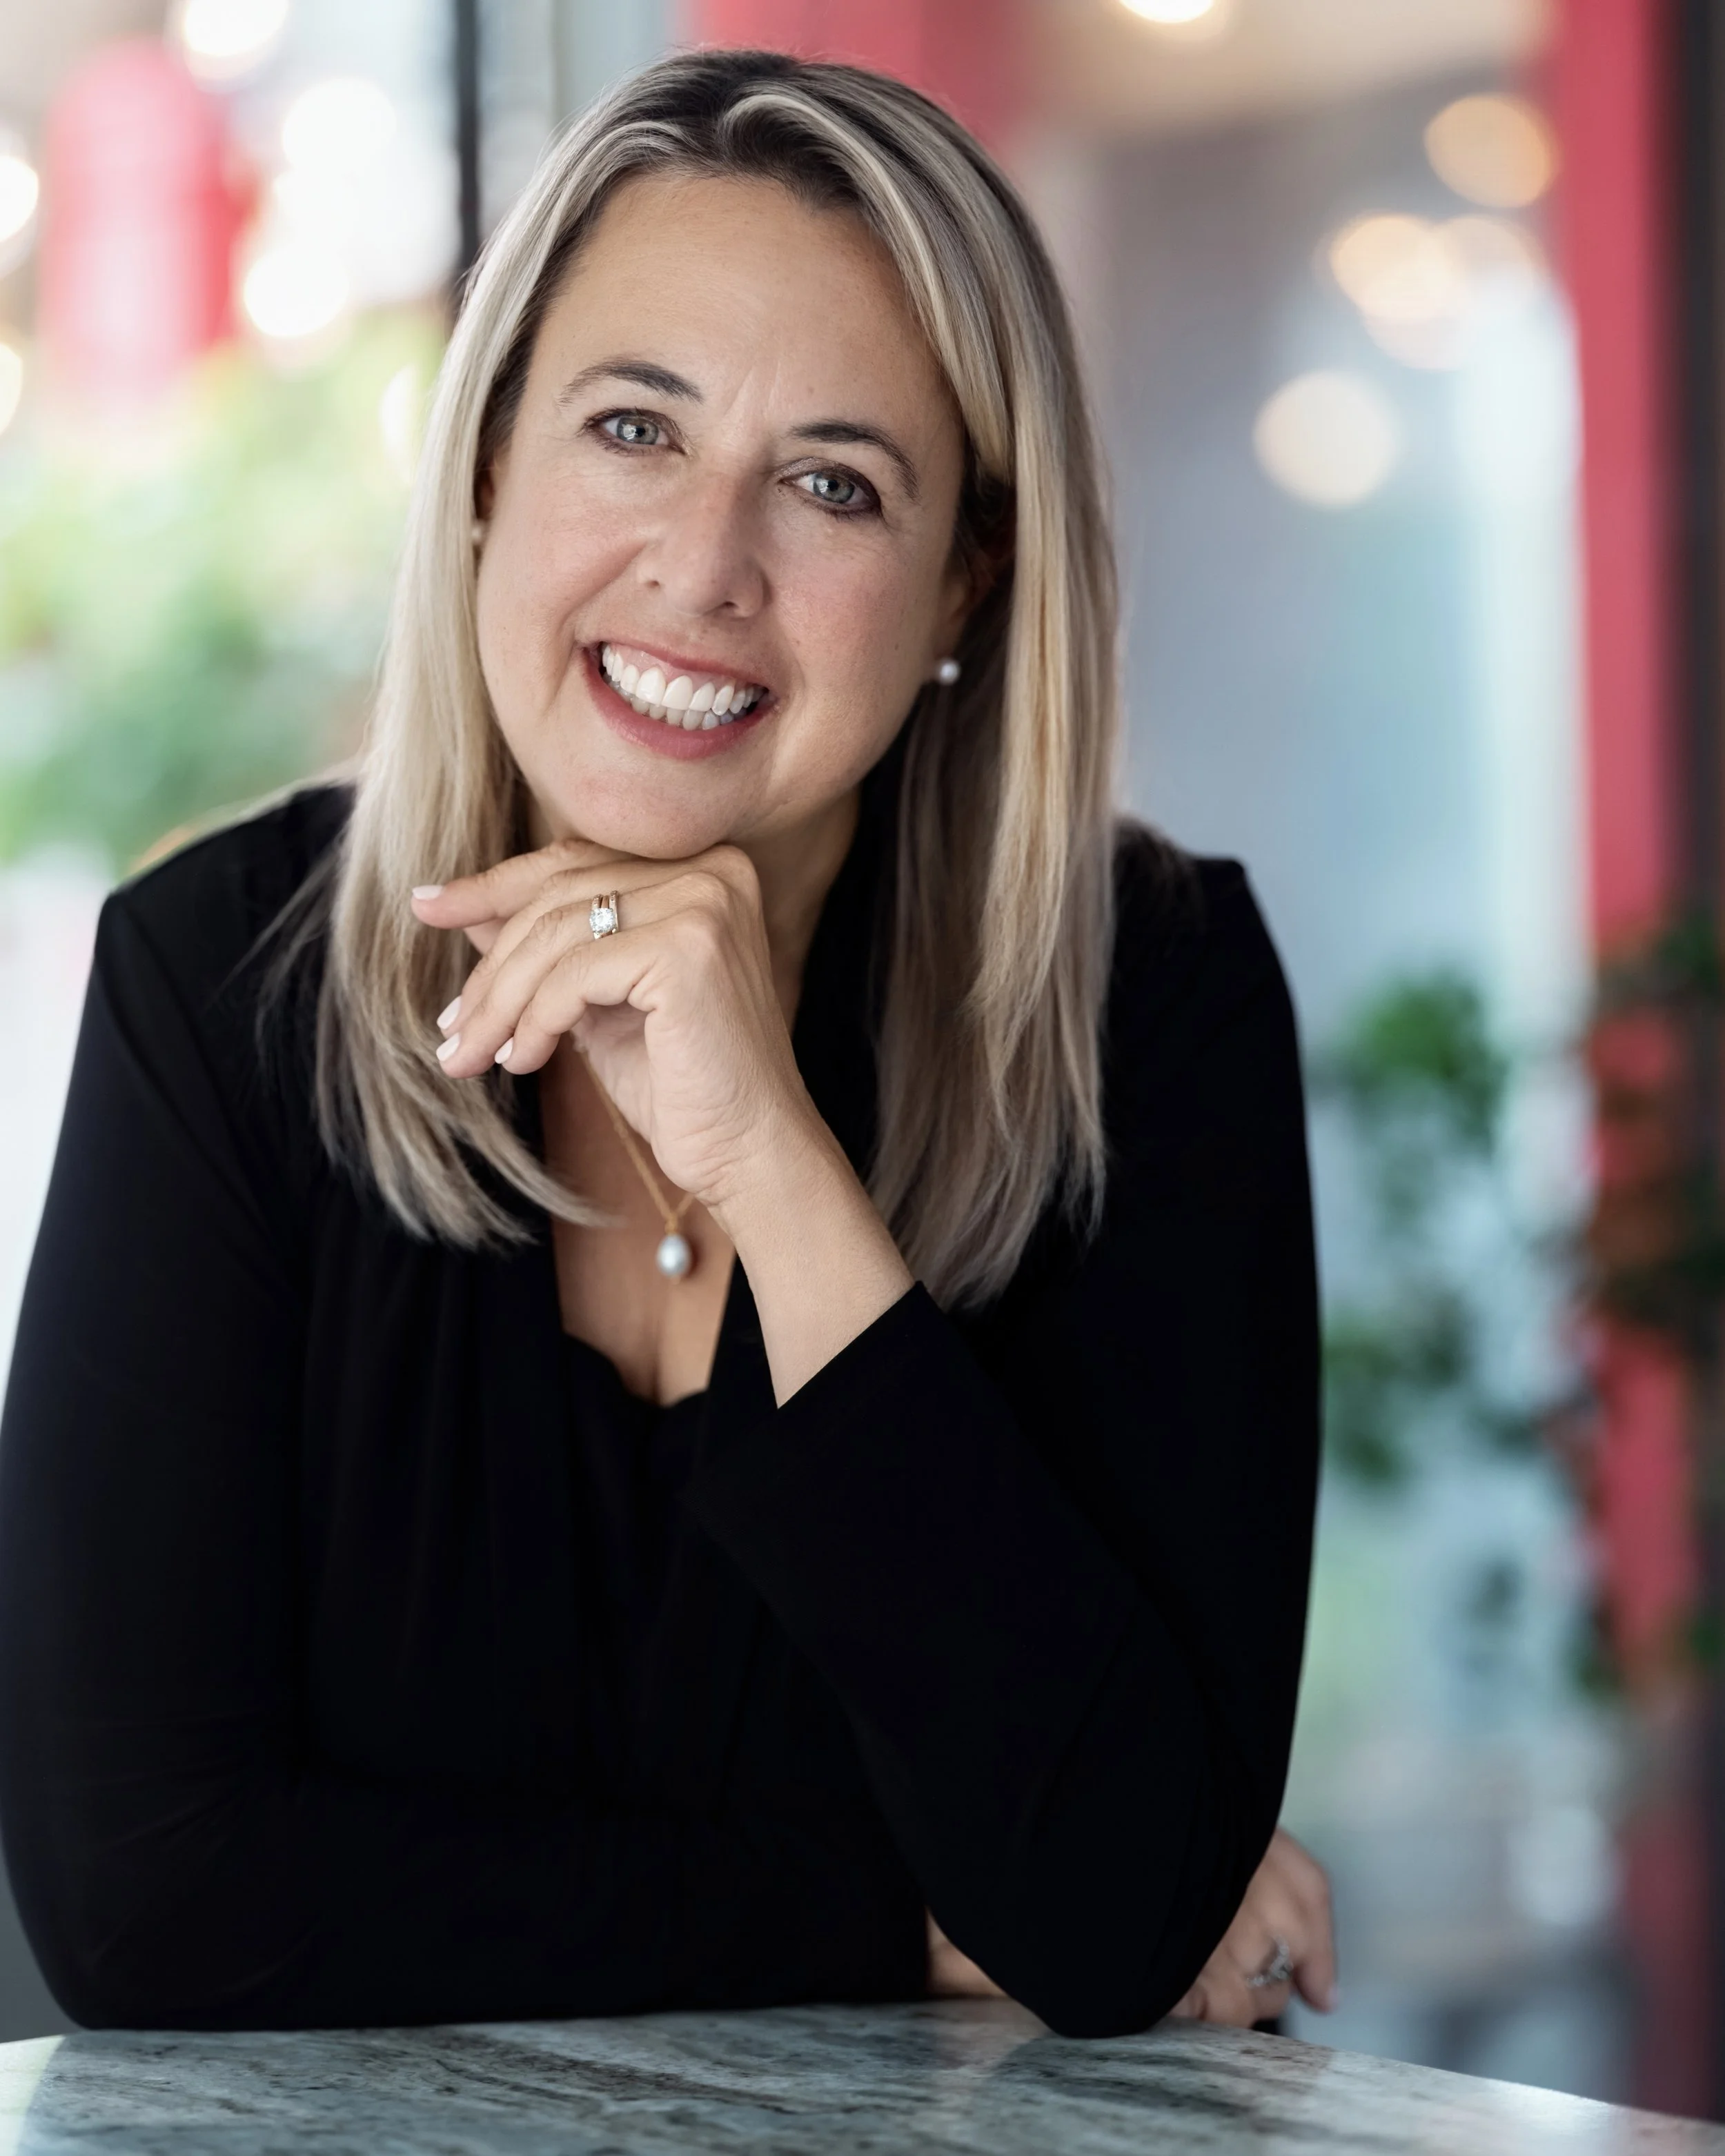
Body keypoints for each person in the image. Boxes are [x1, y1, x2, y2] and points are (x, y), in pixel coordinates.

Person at [0, 48, 1329, 2037]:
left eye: (834, 482)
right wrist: (891, 1920)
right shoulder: (220, 983)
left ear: (967, 577)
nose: (706, 568)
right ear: (485, 471)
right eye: (634, 427)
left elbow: (1119, 1901)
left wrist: (776, 1165)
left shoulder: (1152, 1003)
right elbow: (143, 1902)